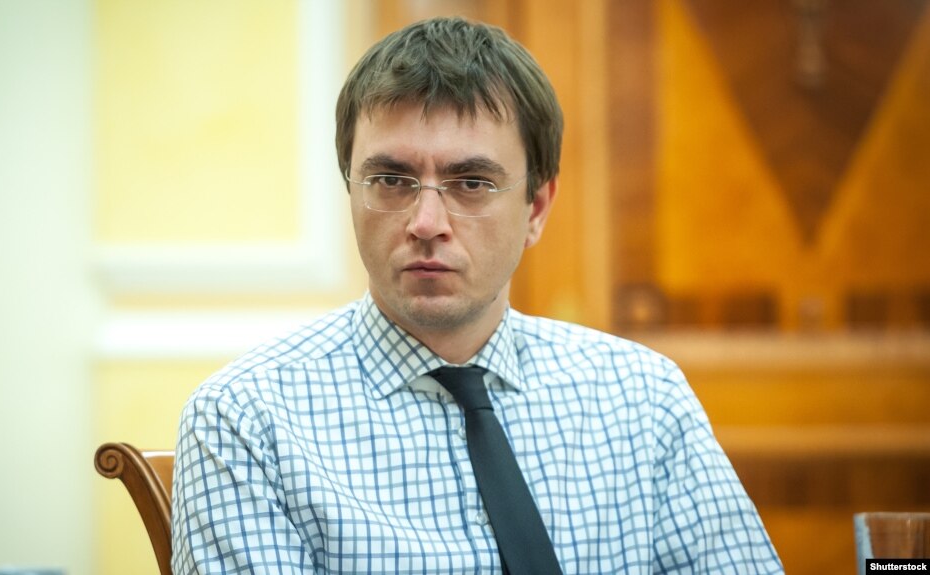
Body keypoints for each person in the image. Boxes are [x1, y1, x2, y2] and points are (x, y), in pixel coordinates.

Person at [171, 16, 782, 574]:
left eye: (470, 183)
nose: (426, 222)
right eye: (391, 180)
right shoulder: (247, 421)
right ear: (351, 191)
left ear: (536, 208)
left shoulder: (643, 398)